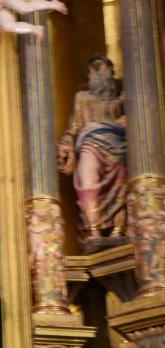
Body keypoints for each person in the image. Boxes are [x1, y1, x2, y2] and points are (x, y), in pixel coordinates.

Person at [57, 55, 127, 251]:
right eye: (94, 69)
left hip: (119, 148)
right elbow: (74, 126)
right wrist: (65, 145)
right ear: (89, 74)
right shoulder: (82, 98)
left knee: (123, 183)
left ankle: (117, 230)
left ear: (111, 72)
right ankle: (94, 230)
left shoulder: (121, 99)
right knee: (87, 181)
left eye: (103, 67)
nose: (98, 72)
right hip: (90, 143)